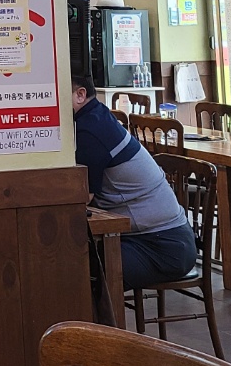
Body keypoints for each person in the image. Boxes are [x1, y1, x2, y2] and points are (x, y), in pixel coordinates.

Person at [72, 75, 197, 289]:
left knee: (80, 271)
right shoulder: (96, 116)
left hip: (163, 245)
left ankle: (99, 324)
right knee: (73, 261)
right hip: (147, 238)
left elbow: (83, 197)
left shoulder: (90, 130)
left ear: (80, 94)